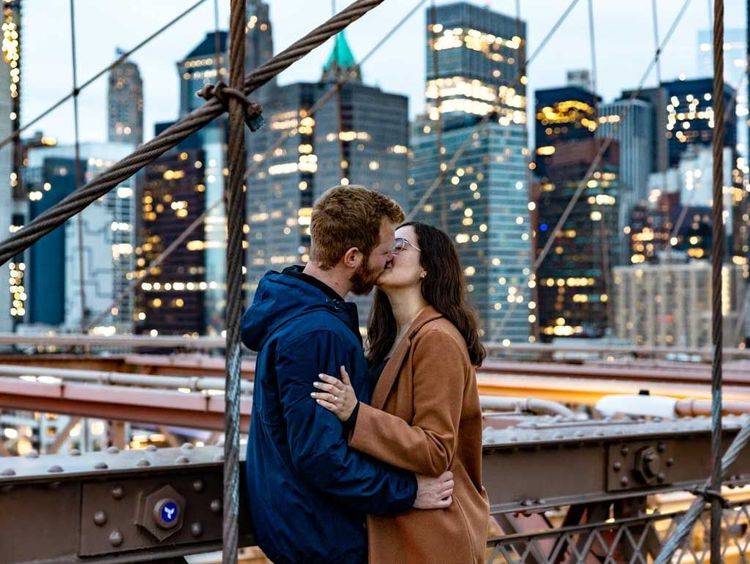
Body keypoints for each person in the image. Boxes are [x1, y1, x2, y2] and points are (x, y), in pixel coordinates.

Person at [240, 188, 455, 564]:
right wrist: (406, 492)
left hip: (303, 525)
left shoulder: (299, 313)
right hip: (324, 535)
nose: (390, 257)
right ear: (352, 257)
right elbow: (321, 456)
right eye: (386, 249)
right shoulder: (318, 332)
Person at [311, 221, 490, 563]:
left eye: (401, 246)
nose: (389, 252)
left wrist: (356, 414)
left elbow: (437, 449)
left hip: (433, 537)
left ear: (427, 267)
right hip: (402, 528)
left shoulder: (437, 338)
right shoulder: (388, 342)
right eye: (387, 246)